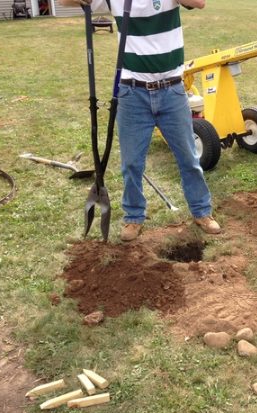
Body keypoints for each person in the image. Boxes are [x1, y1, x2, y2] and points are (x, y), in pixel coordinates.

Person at [60, 0, 220, 241]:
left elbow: (199, 3)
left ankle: (201, 212)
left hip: (172, 90)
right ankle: (134, 217)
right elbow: (65, 1)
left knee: (188, 157)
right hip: (132, 92)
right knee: (132, 163)